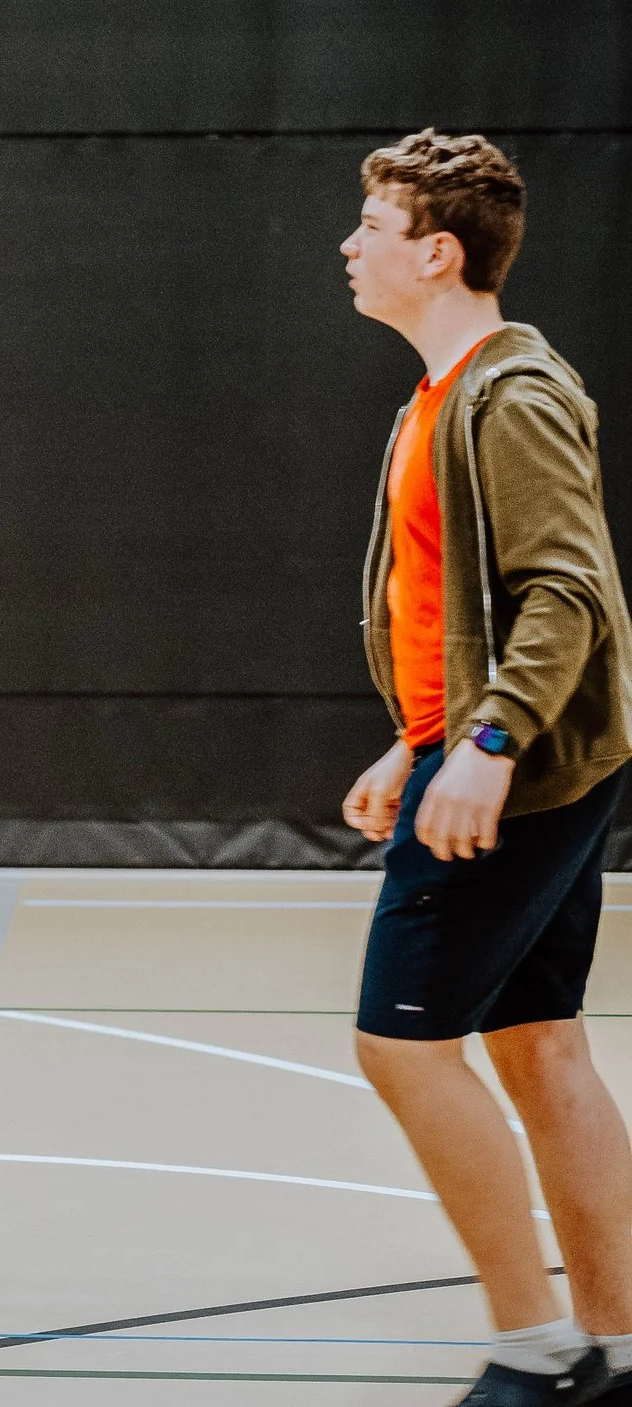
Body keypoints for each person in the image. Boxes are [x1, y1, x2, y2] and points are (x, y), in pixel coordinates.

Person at [338, 130, 632, 1406]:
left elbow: (566, 592)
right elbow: (454, 607)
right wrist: (417, 741)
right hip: (497, 757)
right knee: (539, 1044)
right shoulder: (447, 389)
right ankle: (615, 1348)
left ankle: (532, 1347)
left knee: (400, 1048)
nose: (349, 247)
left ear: (436, 251)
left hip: (519, 771)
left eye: (371, 229)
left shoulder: (508, 396)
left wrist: (486, 748)